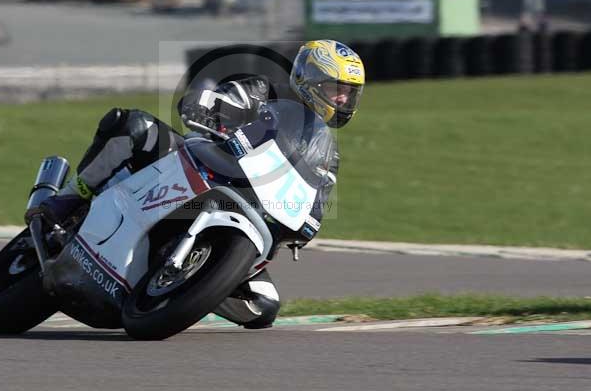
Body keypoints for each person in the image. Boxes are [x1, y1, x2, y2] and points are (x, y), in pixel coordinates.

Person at [25, 39, 366, 328]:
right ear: (309, 80)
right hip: (201, 166)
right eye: (337, 91)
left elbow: (317, 200)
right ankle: (71, 197)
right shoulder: (261, 94)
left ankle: (191, 284)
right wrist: (206, 113)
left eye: (349, 95)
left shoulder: (325, 153)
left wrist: (306, 226)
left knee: (263, 306)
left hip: (247, 211)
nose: (343, 101)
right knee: (134, 126)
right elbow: (208, 100)